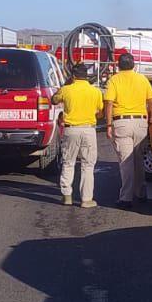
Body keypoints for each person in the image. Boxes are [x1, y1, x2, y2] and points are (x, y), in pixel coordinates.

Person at [103, 51, 152, 207]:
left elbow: (109, 104)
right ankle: (140, 192)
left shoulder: (114, 80)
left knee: (126, 162)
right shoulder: (142, 79)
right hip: (141, 123)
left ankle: (126, 197)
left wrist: (108, 124)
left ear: (118, 65)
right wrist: (151, 119)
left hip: (122, 123)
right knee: (138, 160)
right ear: (133, 65)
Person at [51, 63, 103, 208]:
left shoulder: (66, 90)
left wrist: (67, 84)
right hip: (88, 129)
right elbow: (100, 112)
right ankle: (86, 199)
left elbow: (54, 100)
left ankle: (67, 195)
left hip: (71, 129)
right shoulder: (95, 91)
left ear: (73, 76)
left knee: (68, 162)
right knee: (88, 164)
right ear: (86, 76)